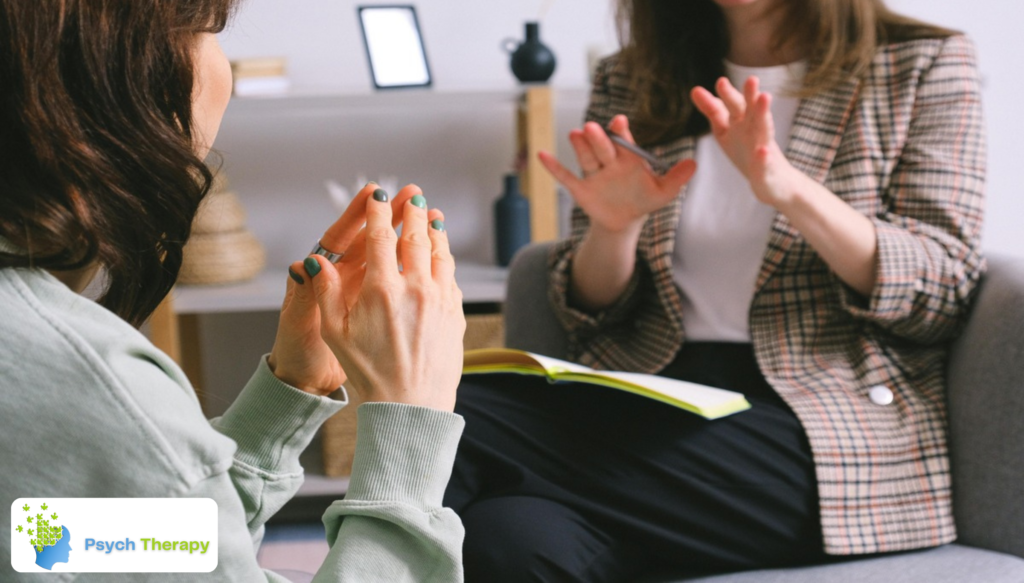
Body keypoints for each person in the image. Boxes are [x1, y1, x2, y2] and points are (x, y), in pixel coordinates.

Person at [444, 0, 985, 581]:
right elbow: (592, 315)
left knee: (449, 412)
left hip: (820, 433)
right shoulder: (634, 75)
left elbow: (944, 291)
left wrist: (787, 189)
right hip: (649, 406)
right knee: (509, 540)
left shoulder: (921, 62)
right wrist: (615, 226)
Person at [0, 1, 467, 581]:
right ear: (103, 70)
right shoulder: (98, 391)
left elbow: (92, 544)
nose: (225, 67)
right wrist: (411, 422)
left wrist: (289, 392)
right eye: (208, 31)